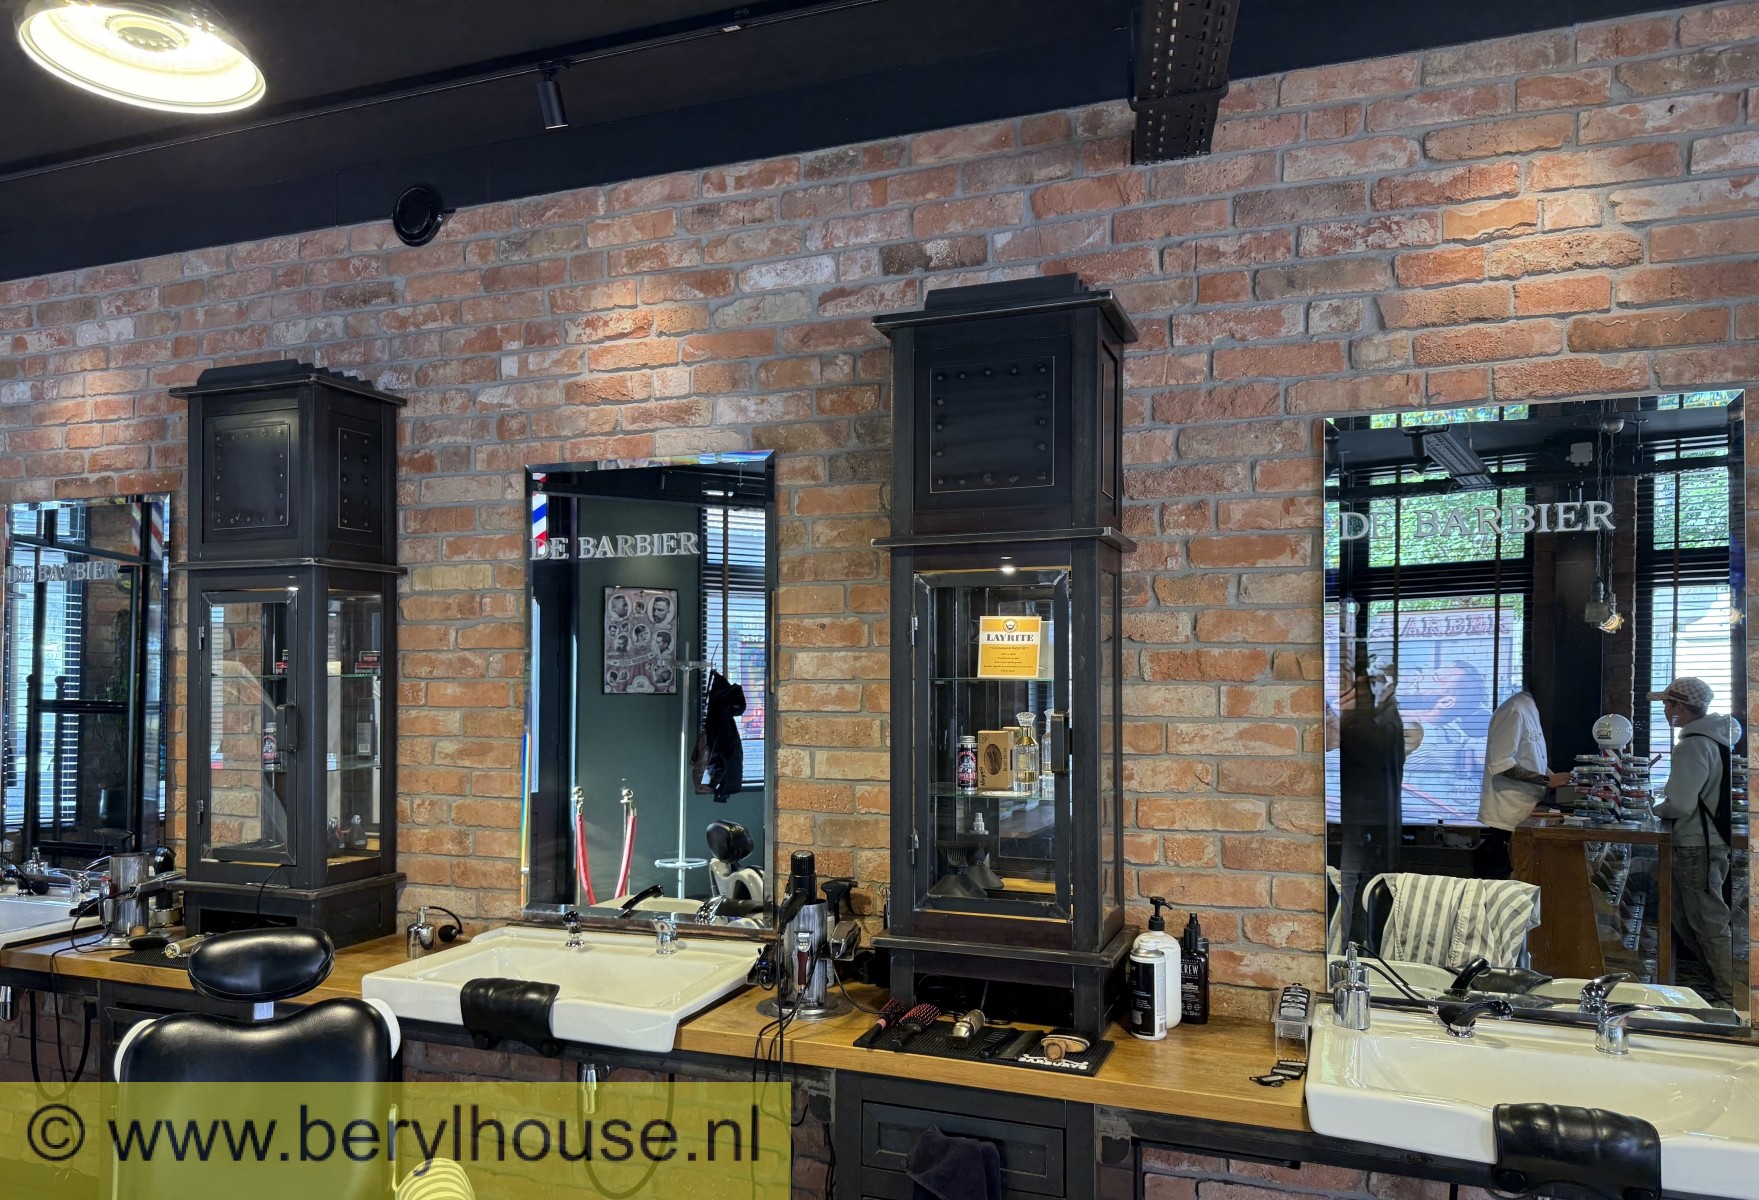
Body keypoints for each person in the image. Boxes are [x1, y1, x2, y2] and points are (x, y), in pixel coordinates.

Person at [1650, 676, 1735, 1006]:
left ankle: (1729, 994)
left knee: (1706, 921)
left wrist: (1657, 807)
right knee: (1695, 919)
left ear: (1679, 707)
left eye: (1666, 704)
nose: (1664, 710)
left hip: (1695, 842)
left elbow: (1681, 804)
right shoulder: (1715, 737)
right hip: (1710, 840)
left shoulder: (1691, 745)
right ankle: (1722, 985)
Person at [1476, 686, 1570, 879]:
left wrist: (1557, 778)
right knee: (1508, 877)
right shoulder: (1513, 710)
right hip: (1507, 813)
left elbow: (1532, 757)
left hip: (1527, 808)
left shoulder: (1532, 706)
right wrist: (1547, 780)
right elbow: (1502, 765)